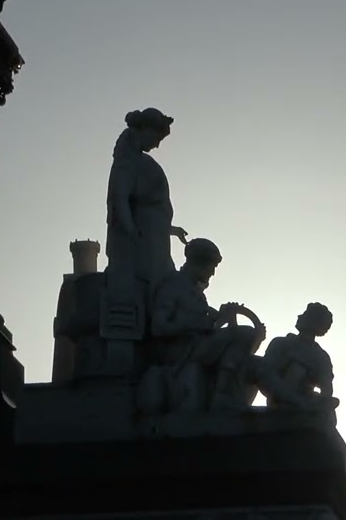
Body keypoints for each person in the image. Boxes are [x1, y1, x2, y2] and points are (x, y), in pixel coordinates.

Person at [148, 238, 265, 411]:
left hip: (197, 346)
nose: (212, 273)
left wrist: (226, 318)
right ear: (200, 262)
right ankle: (222, 395)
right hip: (180, 351)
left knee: (251, 349)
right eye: (212, 267)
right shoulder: (173, 285)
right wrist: (195, 324)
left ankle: (228, 394)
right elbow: (159, 327)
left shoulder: (196, 293)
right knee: (245, 333)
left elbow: (208, 329)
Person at [105, 108, 188, 301]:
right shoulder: (128, 161)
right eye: (158, 138)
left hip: (153, 239)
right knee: (158, 288)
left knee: (162, 285)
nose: (157, 145)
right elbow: (120, 198)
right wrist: (130, 230)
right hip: (145, 243)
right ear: (146, 130)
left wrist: (170, 229)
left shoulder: (139, 161)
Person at [257, 303, 339, 411]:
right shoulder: (280, 343)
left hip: (305, 406)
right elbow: (265, 375)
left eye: (305, 314)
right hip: (279, 402)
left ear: (314, 322)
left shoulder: (321, 357)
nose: (299, 316)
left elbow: (327, 390)